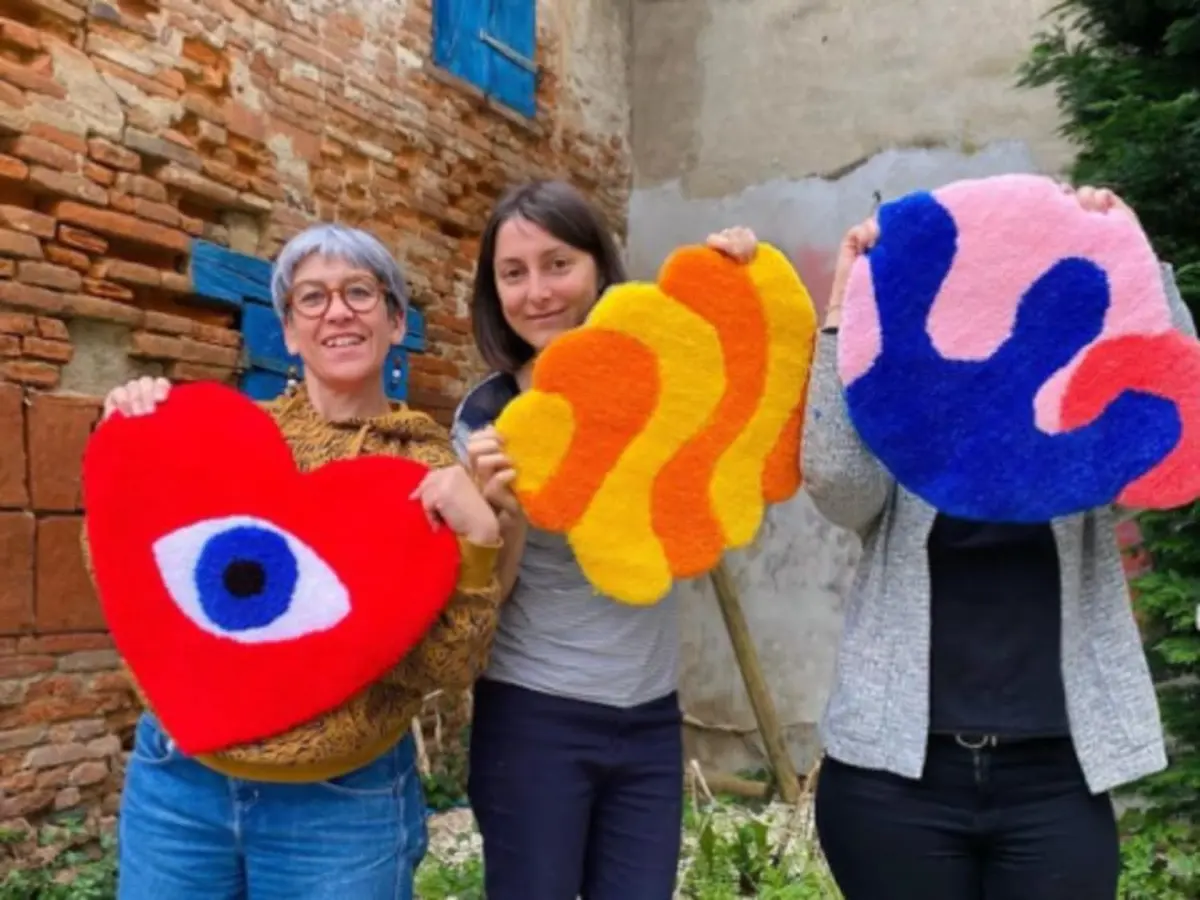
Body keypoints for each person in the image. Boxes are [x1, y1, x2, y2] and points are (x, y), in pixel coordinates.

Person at [802, 185, 1198, 900]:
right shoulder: (912, 412)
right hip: (896, 782)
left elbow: (1178, 435)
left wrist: (1142, 268)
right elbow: (836, 483)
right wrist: (842, 318)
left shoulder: (1079, 436)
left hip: (1053, 779)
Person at [89, 223, 504, 900]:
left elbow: (447, 668)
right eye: (310, 299)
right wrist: (126, 444)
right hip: (179, 786)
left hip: (340, 808)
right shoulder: (212, 443)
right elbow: (134, 581)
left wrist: (480, 538)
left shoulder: (428, 477)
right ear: (286, 331)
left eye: (360, 293)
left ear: (396, 321)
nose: (336, 311)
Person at [451, 178, 758, 900]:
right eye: (513, 274)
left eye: (558, 264)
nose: (537, 293)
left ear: (598, 267)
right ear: (494, 292)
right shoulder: (491, 418)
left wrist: (734, 275)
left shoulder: (661, 380)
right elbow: (482, 602)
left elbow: (738, 388)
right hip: (535, 721)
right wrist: (503, 515)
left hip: (651, 719)